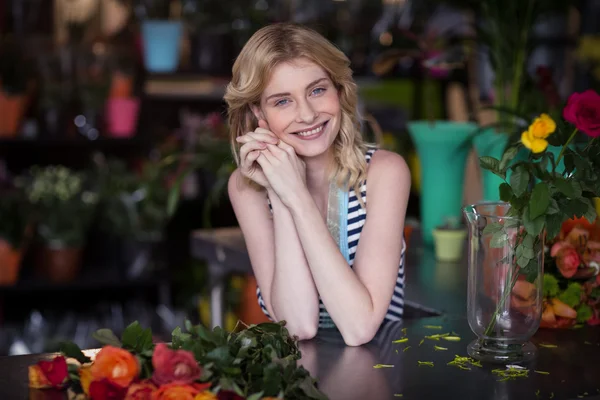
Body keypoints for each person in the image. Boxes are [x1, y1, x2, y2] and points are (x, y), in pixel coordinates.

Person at [224, 23, 410, 346]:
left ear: (338, 90)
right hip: (298, 383)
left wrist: (296, 195)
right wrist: (280, 196)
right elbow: (298, 325)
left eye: (317, 90)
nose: (308, 115)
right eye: (283, 101)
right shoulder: (247, 187)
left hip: (380, 378)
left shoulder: (385, 173)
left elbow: (360, 326)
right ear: (258, 111)